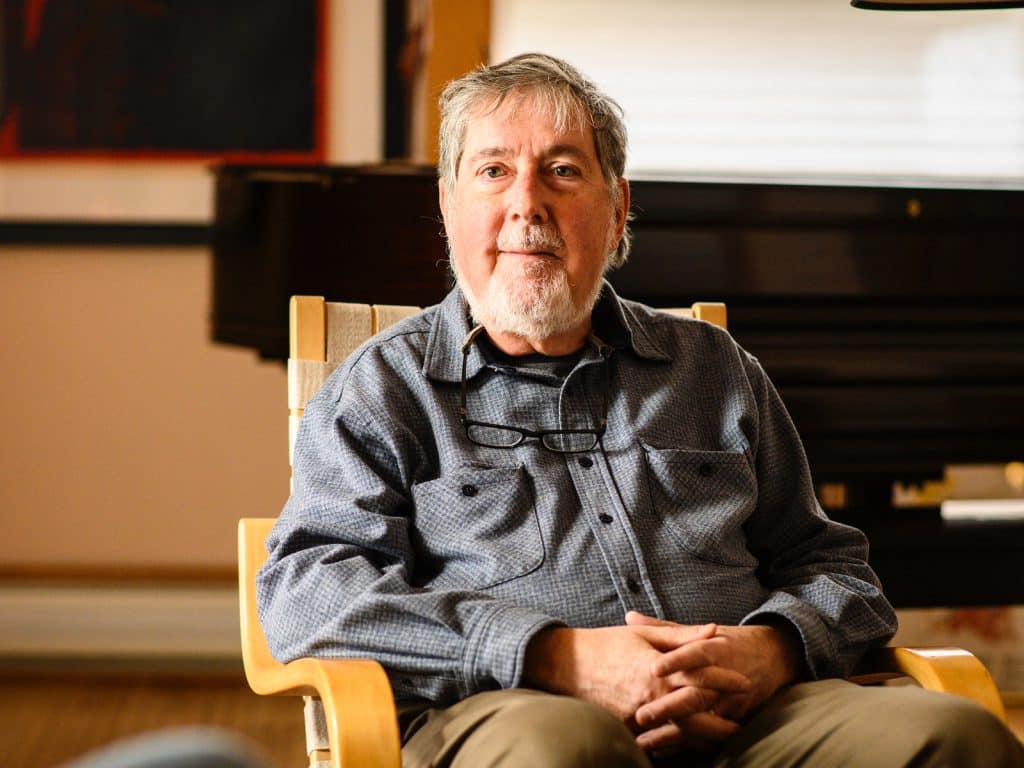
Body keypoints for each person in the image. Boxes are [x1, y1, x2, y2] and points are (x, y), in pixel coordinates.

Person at [257, 53, 1023, 767]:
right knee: (570, 746)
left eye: (562, 171)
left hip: (758, 720)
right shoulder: (383, 389)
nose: (527, 203)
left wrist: (773, 651)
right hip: (512, 711)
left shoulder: (714, 369)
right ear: (449, 205)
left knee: (955, 733)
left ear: (618, 209)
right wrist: (552, 656)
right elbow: (307, 593)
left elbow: (835, 569)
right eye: (493, 170)